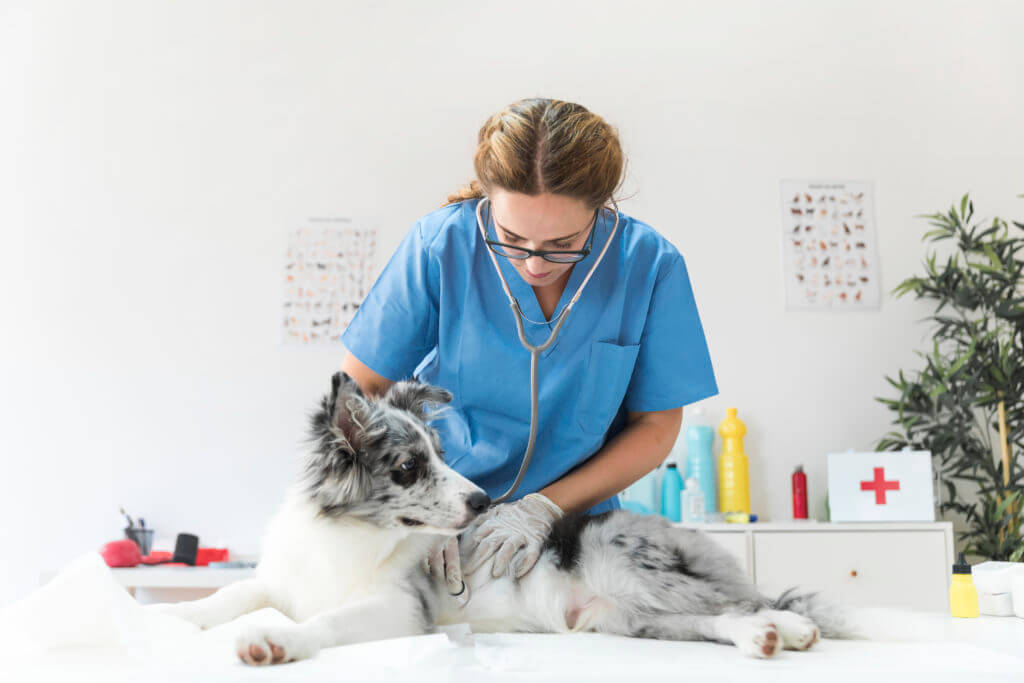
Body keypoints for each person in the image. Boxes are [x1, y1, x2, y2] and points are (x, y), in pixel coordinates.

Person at [339, 97, 718, 600]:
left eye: (563, 242)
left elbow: (656, 428)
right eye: (511, 237)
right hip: (443, 523)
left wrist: (544, 509)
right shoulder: (441, 245)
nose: (536, 264)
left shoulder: (649, 266)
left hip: (574, 530)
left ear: (602, 208)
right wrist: (413, 507)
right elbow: (360, 398)